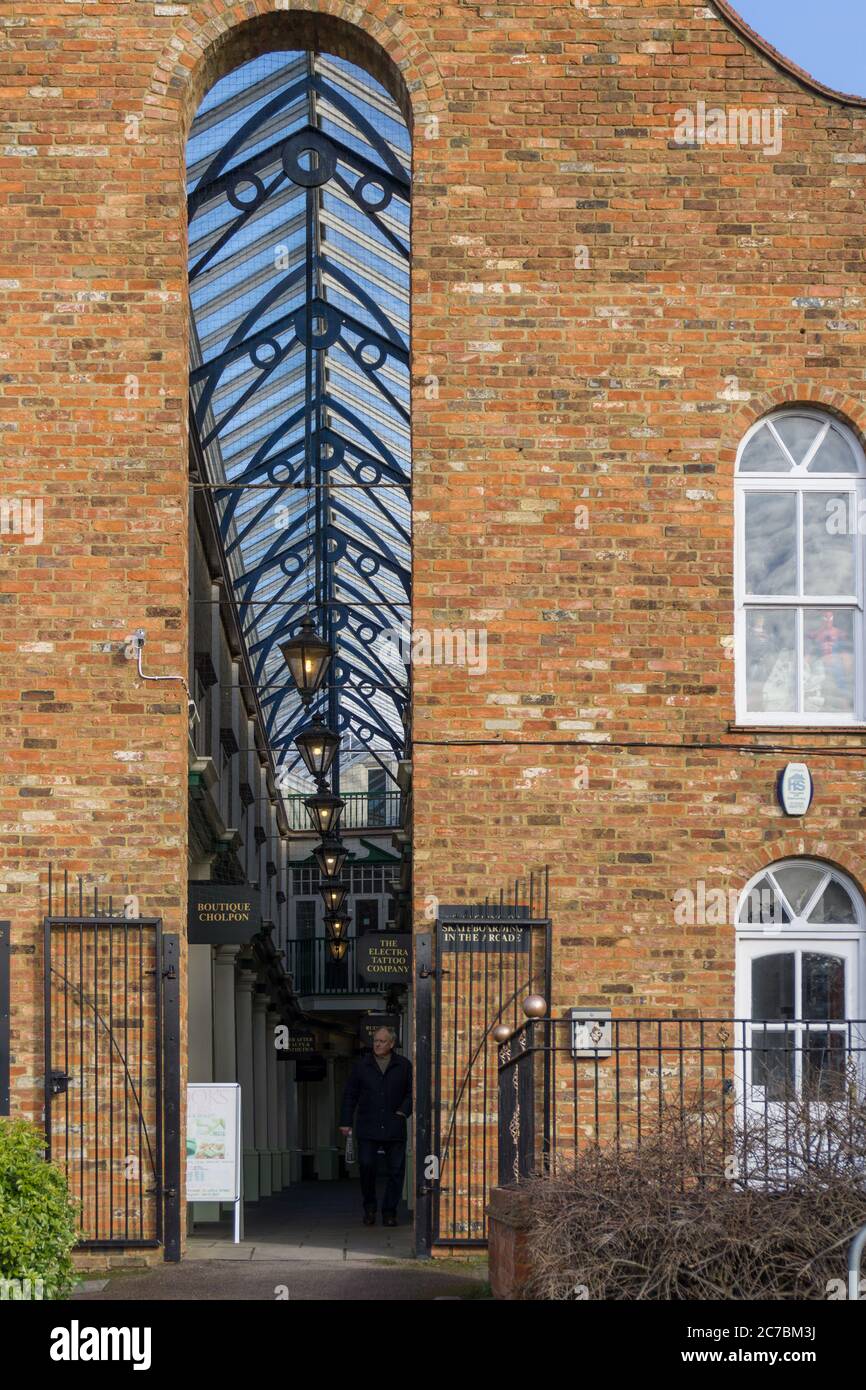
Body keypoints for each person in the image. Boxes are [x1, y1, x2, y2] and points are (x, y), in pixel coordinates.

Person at [339, 1027, 412, 1226]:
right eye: (375, 1040)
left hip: (394, 1126)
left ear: (391, 1044)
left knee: (396, 1171)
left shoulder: (404, 1066)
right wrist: (345, 1121)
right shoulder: (361, 1066)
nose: (377, 1044)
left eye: (382, 1041)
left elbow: (411, 1092)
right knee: (367, 1166)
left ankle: (389, 1211)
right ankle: (369, 1208)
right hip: (367, 1126)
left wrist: (403, 1112)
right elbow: (350, 1095)